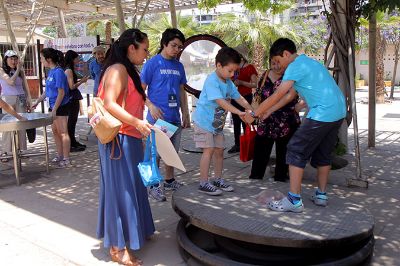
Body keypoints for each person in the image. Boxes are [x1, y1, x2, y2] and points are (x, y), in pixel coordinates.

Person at [244, 38, 346, 212]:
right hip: (338, 112)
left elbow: (278, 94)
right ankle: (321, 195)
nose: (278, 65)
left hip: (322, 113)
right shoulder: (309, 63)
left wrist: (255, 113)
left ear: (286, 54)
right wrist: (267, 112)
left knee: (295, 150)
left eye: (278, 60)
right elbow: (290, 96)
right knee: (323, 154)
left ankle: (294, 200)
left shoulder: (294, 66)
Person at [96, 28, 154, 266]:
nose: (146, 54)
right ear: (132, 48)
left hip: (128, 138)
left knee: (132, 188)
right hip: (118, 141)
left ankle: (133, 233)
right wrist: (137, 122)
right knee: (121, 192)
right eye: (145, 49)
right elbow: (109, 103)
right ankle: (118, 247)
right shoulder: (118, 69)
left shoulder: (126, 69)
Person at [193, 47, 253, 196]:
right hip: (204, 122)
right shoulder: (211, 81)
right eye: (230, 71)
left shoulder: (228, 82)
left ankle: (217, 179)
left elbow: (239, 97)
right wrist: (239, 112)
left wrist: (251, 109)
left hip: (217, 124)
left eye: (235, 72)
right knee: (209, 150)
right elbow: (221, 102)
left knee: (219, 151)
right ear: (218, 65)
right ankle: (203, 182)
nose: (232, 75)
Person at [140, 28, 190, 202]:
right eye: (174, 45)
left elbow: (181, 89)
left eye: (179, 47)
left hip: (174, 118)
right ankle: (152, 186)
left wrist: (186, 112)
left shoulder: (179, 66)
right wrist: (150, 106)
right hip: (157, 119)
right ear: (164, 44)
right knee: (154, 155)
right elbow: (140, 90)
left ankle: (169, 181)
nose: (176, 50)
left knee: (171, 154)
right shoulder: (152, 63)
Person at [249, 59, 300, 181]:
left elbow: (293, 96)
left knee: (284, 150)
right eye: (273, 63)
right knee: (261, 149)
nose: (276, 66)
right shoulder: (265, 74)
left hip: (286, 120)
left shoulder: (290, 76)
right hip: (265, 119)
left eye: (279, 63)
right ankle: (256, 176)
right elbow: (259, 93)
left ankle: (281, 176)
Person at [31, 48, 71, 168]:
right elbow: (47, 91)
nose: (41, 60)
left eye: (42, 58)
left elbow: (61, 92)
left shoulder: (58, 72)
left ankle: (66, 158)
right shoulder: (51, 72)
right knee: (55, 132)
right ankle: (59, 155)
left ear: (48, 59)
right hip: (52, 106)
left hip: (60, 106)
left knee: (63, 132)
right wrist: (37, 101)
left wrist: (54, 110)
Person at [227, 45, 258, 154]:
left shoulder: (250, 67)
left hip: (246, 96)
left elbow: (255, 84)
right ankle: (237, 144)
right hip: (235, 96)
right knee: (235, 121)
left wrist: (242, 83)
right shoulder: (235, 67)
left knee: (246, 120)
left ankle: (248, 144)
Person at [0, 50, 30, 162]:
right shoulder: (2, 70)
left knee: (21, 123)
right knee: (8, 125)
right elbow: (10, 82)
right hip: (8, 99)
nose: (13, 61)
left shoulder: (20, 71)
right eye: (11, 59)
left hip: (20, 98)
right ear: (6, 59)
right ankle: (6, 151)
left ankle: (21, 149)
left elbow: (24, 86)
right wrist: (18, 69)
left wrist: (28, 100)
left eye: (15, 59)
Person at [64, 50, 88, 152]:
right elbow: (71, 86)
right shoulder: (68, 70)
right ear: (72, 59)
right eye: (77, 58)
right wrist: (81, 81)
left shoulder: (70, 69)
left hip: (73, 97)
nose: (78, 60)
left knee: (73, 121)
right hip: (71, 98)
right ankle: (71, 144)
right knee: (71, 121)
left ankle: (73, 142)